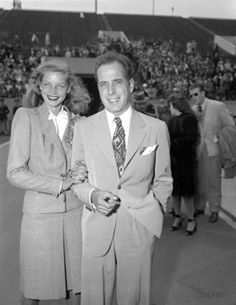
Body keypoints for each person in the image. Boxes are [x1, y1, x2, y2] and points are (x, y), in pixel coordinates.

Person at [71, 51, 173, 305]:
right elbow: (77, 180)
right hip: (97, 227)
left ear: (130, 85)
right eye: (103, 84)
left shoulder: (156, 128)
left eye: (117, 82)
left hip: (138, 229)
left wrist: (153, 214)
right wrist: (93, 196)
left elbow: (163, 179)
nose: (111, 91)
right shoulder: (84, 128)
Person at [7, 58, 90, 305]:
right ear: (38, 87)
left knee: (79, 286)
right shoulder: (26, 117)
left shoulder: (81, 122)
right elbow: (15, 172)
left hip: (76, 215)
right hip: (40, 217)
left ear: (69, 89)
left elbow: (86, 164)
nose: (53, 91)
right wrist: (60, 183)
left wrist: (85, 172)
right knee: (34, 288)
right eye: (47, 85)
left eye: (60, 85)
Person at [189, 81, 234, 223]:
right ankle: (200, 206)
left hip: (213, 149)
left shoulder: (217, 106)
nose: (194, 97)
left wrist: (218, 137)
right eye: (191, 95)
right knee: (200, 180)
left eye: (196, 94)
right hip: (199, 150)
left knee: (214, 180)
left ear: (203, 93)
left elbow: (230, 126)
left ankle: (214, 209)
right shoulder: (192, 109)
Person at [167, 94, 200, 235]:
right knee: (175, 191)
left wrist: (173, 144)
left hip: (185, 160)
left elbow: (193, 138)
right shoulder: (171, 120)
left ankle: (192, 219)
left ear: (175, 106)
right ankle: (178, 216)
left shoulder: (190, 119)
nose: (169, 108)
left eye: (170, 106)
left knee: (186, 191)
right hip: (173, 160)